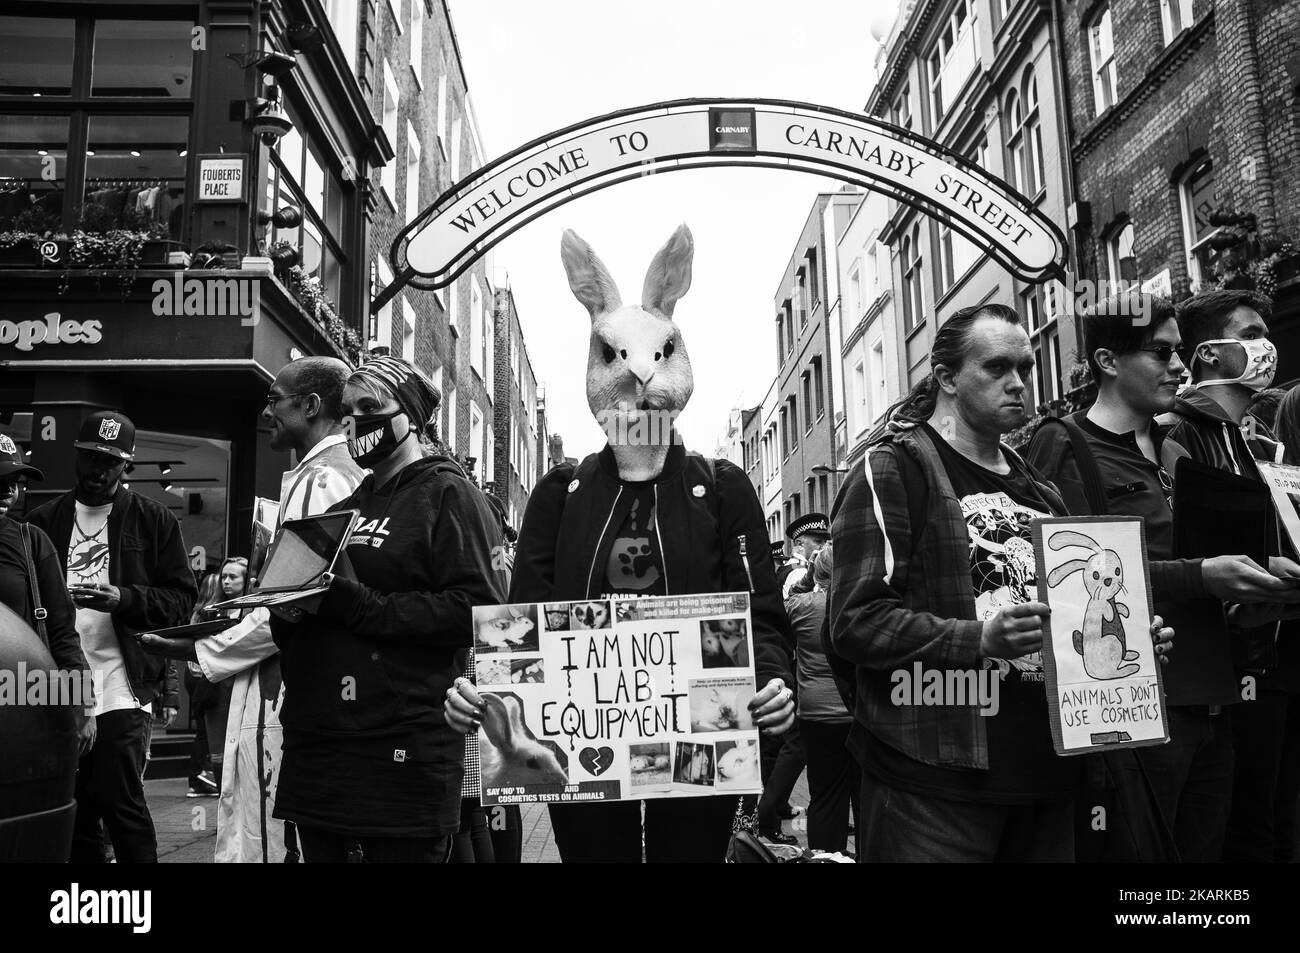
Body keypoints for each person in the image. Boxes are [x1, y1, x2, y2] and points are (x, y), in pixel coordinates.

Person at [445, 224, 795, 862]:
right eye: (614, 361)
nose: (637, 385)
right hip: (583, 746)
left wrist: (770, 682)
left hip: (698, 735)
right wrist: (481, 686)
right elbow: (522, 622)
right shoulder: (560, 493)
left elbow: (759, 610)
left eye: (659, 359)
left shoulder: (722, 490)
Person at [830, 303, 1173, 862]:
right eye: (996, 368)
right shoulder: (895, 466)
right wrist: (979, 640)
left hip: (1047, 777)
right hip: (936, 782)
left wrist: (1130, 641)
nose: (1018, 384)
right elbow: (855, 622)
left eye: (1026, 367)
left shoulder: (1041, 490)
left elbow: (1071, 616)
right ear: (946, 378)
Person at [1026, 292, 1299, 860]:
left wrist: (1257, 583)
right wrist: (1204, 576)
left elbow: (1201, 562)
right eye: (1160, 352)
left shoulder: (1177, 448)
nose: (1179, 365)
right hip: (1136, 707)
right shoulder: (1067, 443)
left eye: (1179, 351)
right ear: (1107, 361)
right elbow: (1078, 580)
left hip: (1213, 698)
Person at [269, 355, 506, 863]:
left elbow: (480, 612)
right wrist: (283, 607)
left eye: (371, 406)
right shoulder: (343, 507)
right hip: (322, 749)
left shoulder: (450, 495)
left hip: (402, 749)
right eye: (349, 408)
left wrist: (360, 605)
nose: (356, 419)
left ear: (411, 417)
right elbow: (311, 612)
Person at [140, 356, 366, 862]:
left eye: (274, 400)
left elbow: (295, 602)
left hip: (281, 688)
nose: (267, 411)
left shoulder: (321, 482)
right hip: (287, 683)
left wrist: (202, 645)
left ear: (310, 405)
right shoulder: (325, 474)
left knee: (263, 833)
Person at [1155, 289, 1300, 861]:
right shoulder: (1175, 432)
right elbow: (1189, 552)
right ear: (1209, 353)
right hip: (1226, 665)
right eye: (1250, 334)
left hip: (1279, 647)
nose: (1266, 347)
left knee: (1281, 815)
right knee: (1244, 828)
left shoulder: (1265, 444)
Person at [27, 410, 195, 863]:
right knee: (74, 809)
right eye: (90, 458)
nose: (98, 470)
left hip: (122, 683)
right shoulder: (44, 520)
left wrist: (123, 597)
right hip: (59, 682)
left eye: (111, 461)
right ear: (76, 456)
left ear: (127, 465)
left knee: (122, 804)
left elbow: (182, 600)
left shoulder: (153, 519)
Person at [1223, 383, 1300, 861]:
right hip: (1262, 662)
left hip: (1279, 657)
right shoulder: (1268, 476)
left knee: (1282, 808)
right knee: (1260, 811)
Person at [0, 434, 95, 756]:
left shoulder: (31, 541)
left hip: (17, 696)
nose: (8, 490)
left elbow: (62, 629)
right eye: (0, 479)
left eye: (15, 481)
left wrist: (83, 704)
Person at [788, 542, 858, 854]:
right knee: (866, 795)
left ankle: (825, 858)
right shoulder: (860, 607)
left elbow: (788, 599)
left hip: (816, 713)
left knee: (825, 797)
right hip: (857, 711)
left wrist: (809, 575)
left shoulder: (802, 605)